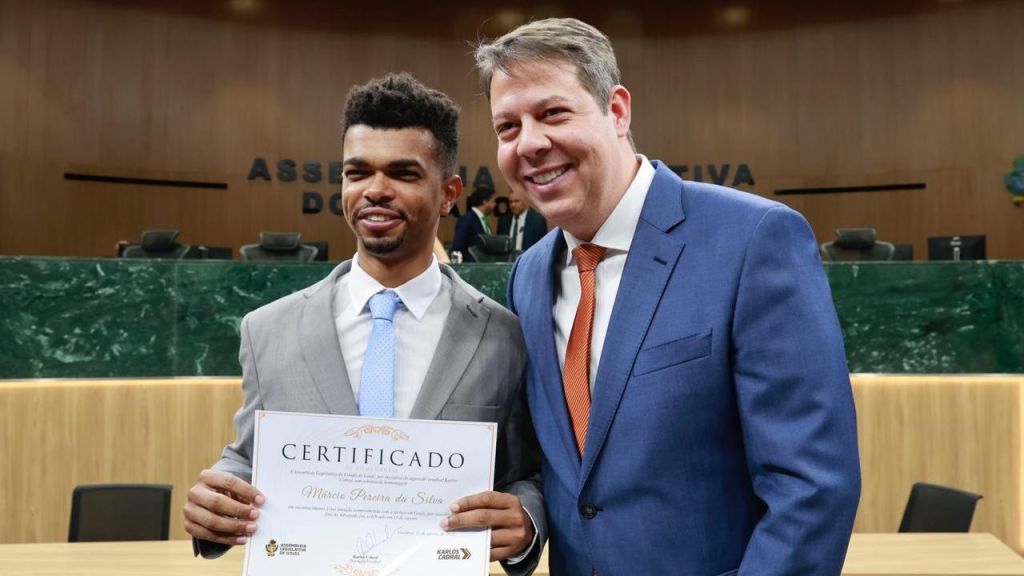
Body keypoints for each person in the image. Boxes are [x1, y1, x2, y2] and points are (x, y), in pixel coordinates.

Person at [475, 18, 860, 575]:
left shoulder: (754, 240)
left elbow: (813, 487)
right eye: (507, 127)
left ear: (618, 110)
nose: (530, 143)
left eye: (553, 113)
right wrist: (528, 522)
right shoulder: (528, 276)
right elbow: (558, 470)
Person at [183, 73, 544, 574]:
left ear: (449, 193)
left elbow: (525, 473)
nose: (376, 190)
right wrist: (215, 500)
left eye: (403, 173)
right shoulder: (268, 330)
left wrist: (527, 520)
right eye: (358, 173)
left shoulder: (506, 336)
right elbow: (250, 459)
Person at [450, 186, 496, 261]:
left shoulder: (483, 220)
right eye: (493, 201)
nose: (495, 204)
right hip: (470, 268)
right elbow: (457, 247)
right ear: (484, 201)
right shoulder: (467, 220)